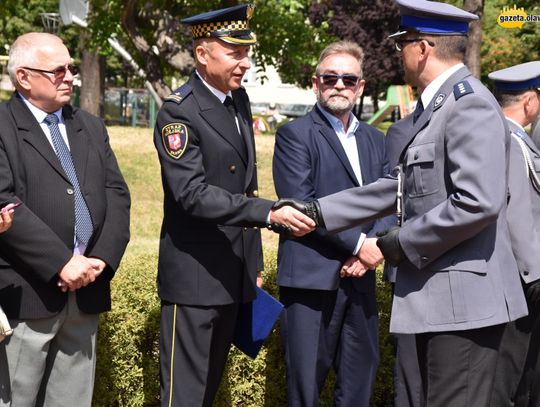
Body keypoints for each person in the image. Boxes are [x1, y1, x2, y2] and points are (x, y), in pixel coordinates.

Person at [292, 1, 529, 405]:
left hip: (464, 309)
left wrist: (395, 243)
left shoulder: (468, 103)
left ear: (423, 48)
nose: (397, 52)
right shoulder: (436, 108)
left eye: (402, 43)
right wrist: (318, 212)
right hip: (439, 301)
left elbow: (477, 202)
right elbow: (399, 187)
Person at [152, 5, 315, 407]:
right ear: (203, 53)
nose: (245, 62)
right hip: (194, 279)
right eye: (234, 53)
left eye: (247, 53)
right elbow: (191, 193)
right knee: (183, 397)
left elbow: (244, 182)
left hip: (232, 273)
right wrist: (267, 212)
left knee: (207, 393)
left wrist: (253, 262)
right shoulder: (178, 110)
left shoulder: (237, 101)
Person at [0, 32, 131, 407]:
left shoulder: (89, 126)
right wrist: (60, 262)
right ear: (23, 77)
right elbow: (4, 201)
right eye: (58, 70)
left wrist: (100, 260)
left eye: (71, 68)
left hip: (86, 290)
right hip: (26, 295)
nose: (70, 76)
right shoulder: (4, 125)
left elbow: (118, 195)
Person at [272, 41, 390, 407]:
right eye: (330, 77)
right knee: (305, 390)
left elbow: (390, 198)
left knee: (358, 388)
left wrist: (374, 246)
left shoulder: (376, 139)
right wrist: (360, 245)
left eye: (348, 79)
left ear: (361, 86)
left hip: (361, 281)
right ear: (315, 83)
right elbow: (303, 205)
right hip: (311, 283)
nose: (339, 85)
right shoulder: (294, 136)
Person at [488, 61, 540, 407]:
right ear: (529, 101)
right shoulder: (508, 141)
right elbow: (518, 214)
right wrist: (536, 276)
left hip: (521, 284)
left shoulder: (517, 140)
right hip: (518, 286)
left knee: (521, 383)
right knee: (505, 385)